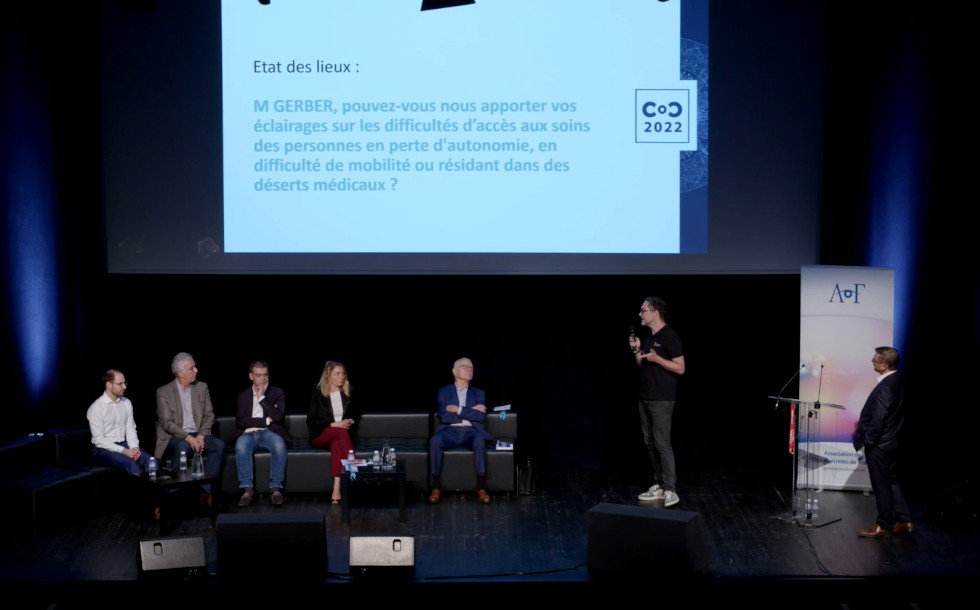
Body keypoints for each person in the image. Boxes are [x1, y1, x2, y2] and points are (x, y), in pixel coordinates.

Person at [629, 296, 685, 507]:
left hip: (662, 398)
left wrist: (658, 359)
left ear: (655, 312)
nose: (640, 314)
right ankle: (659, 484)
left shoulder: (670, 336)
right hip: (645, 396)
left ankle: (671, 489)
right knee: (649, 442)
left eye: (643, 310)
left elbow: (680, 368)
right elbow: (642, 364)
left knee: (662, 443)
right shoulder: (649, 337)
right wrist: (636, 350)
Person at [852, 346, 912, 538]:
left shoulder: (886, 386)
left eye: (875, 360)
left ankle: (884, 524)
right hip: (892, 442)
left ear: (884, 365)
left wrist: (869, 441)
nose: (872, 361)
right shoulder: (898, 380)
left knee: (881, 484)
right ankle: (905, 521)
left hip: (880, 445)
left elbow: (880, 417)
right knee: (892, 481)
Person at [428, 357, 494, 505]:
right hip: (449, 431)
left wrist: (458, 409)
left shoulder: (478, 393)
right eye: (465, 367)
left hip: (471, 431)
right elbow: (444, 416)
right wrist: (471, 410)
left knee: (479, 440)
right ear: (454, 371)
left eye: (471, 368)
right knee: (435, 440)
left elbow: (480, 417)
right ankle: (436, 487)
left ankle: (481, 487)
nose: (469, 370)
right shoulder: (444, 391)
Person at [154, 352, 225, 479]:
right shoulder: (163, 392)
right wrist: (188, 438)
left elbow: (209, 414)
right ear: (181, 373)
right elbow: (167, 423)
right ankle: (176, 490)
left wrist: (201, 435)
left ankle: (206, 491)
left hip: (198, 433)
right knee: (183, 445)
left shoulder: (202, 387)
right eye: (192, 368)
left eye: (195, 367)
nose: (196, 370)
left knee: (219, 445)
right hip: (173, 437)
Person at [234, 360, 291, 507]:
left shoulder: (277, 392)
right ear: (251, 376)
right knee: (241, 447)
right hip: (247, 434)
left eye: (265, 375)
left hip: (268, 433)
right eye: (258, 375)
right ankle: (247, 490)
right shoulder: (243, 395)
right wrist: (266, 420)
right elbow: (242, 421)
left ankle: (275, 489)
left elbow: (278, 416)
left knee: (279, 445)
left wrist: (262, 398)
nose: (263, 379)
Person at [307, 360, 357, 505]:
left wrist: (351, 421)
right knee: (340, 432)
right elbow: (311, 420)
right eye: (337, 374)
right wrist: (334, 424)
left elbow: (357, 412)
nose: (341, 377)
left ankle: (336, 488)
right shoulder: (318, 393)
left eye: (343, 373)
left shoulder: (348, 391)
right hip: (320, 435)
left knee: (337, 442)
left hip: (338, 438)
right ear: (328, 375)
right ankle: (355, 470)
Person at [87, 369, 152, 475]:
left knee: (150, 461)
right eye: (120, 384)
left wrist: (134, 448)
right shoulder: (96, 408)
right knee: (132, 464)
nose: (124, 387)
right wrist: (125, 451)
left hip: (123, 444)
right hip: (102, 449)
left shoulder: (126, 403)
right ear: (108, 385)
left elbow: (130, 429)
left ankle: (157, 491)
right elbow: (99, 440)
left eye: (125, 383)